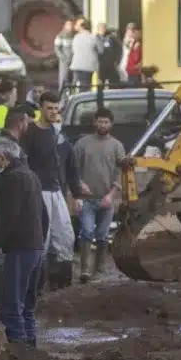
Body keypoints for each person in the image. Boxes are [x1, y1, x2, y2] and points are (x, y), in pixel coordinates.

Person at [0, 137, 48, 346]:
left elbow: (9, 217)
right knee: (27, 305)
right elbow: (44, 214)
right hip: (36, 247)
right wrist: (40, 242)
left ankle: (20, 352)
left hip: (20, 248)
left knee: (12, 307)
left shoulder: (11, 179)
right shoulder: (32, 176)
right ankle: (32, 350)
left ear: (3, 158)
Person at [13, 91, 78, 289]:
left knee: (66, 236)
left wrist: (77, 191)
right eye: (49, 108)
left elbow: (69, 162)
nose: (52, 112)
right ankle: (36, 287)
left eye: (56, 108)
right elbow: (21, 164)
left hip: (56, 190)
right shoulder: (30, 133)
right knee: (41, 239)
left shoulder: (58, 133)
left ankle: (61, 286)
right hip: (37, 193)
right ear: (41, 108)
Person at [71, 107, 131, 282]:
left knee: (103, 236)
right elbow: (72, 169)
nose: (103, 124)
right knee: (87, 232)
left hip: (106, 199)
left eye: (106, 122)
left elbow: (121, 172)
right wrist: (77, 192)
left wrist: (111, 195)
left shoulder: (117, 146)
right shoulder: (82, 144)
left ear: (111, 124)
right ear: (94, 122)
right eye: (100, 121)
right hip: (86, 200)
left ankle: (100, 270)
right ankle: (85, 271)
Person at [69, 18, 101, 93]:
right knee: (85, 87)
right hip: (88, 66)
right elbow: (100, 50)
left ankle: (72, 100)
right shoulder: (93, 37)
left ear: (82, 27)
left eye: (78, 25)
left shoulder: (76, 37)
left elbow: (73, 50)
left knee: (74, 85)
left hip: (76, 65)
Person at [54, 18, 78, 95]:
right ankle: (61, 99)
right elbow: (57, 49)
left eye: (71, 25)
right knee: (63, 80)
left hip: (74, 62)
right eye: (68, 25)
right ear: (65, 26)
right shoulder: (60, 35)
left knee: (73, 81)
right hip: (64, 62)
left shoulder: (75, 35)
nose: (70, 26)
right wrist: (64, 59)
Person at [95, 21, 123, 87]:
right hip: (100, 65)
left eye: (103, 28)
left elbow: (119, 49)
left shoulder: (111, 38)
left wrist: (117, 60)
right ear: (98, 29)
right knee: (100, 83)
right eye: (100, 28)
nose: (102, 30)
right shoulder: (94, 39)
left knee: (113, 83)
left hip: (111, 65)